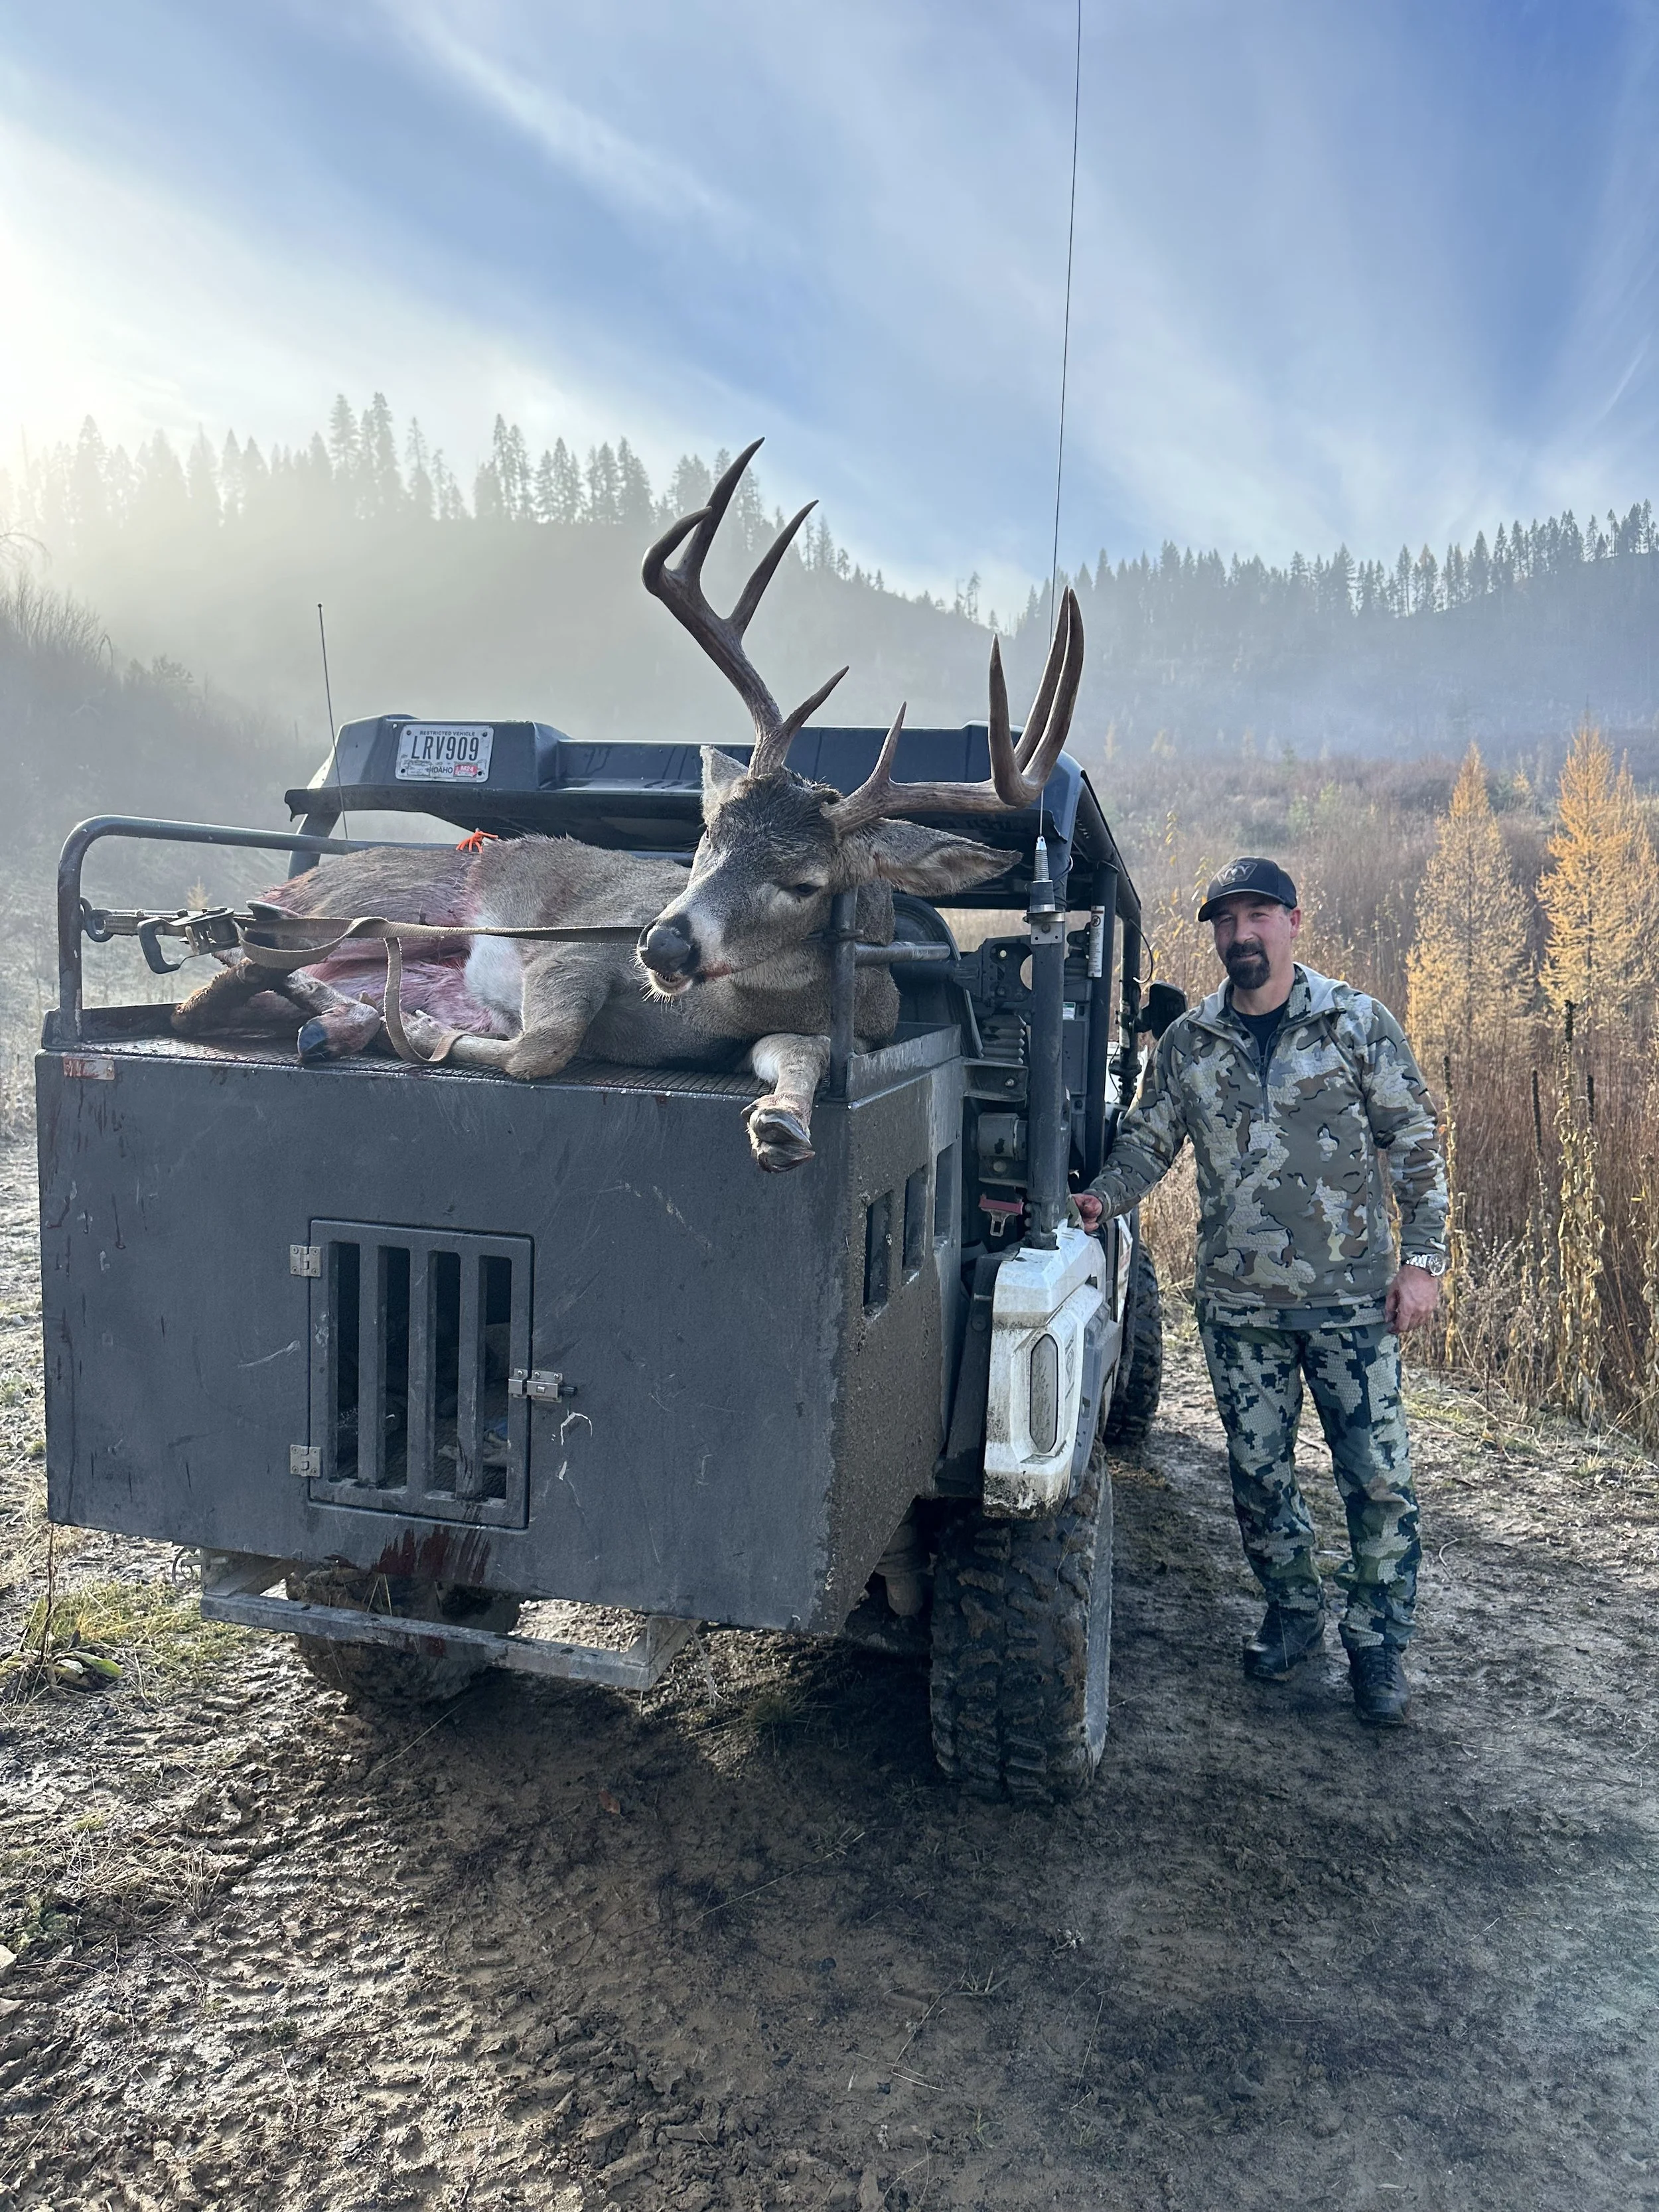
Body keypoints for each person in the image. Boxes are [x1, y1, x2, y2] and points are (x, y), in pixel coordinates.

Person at [1077, 857, 1448, 1726]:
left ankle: (1378, 1645)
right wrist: (1099, 1198)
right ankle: (1291, 1614)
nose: (1241, 935)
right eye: (1225, 921)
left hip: (1354, 1304)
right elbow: (1146, 1148)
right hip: (1241, 1310)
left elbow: (1416, 1145)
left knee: (1378, 1479)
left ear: (1293, 920)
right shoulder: (1189, 1045)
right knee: (1257, 1475)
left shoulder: (1355, 1023)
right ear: (1215, 934)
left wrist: (1424, 1261)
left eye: (1258, 917)